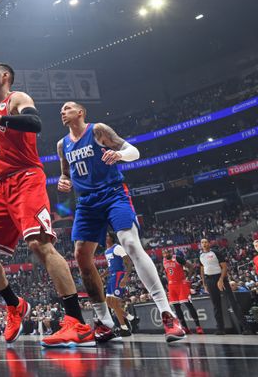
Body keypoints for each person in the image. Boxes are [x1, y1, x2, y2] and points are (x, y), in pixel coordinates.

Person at [0, 63, 93, 348]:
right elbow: (4, 153)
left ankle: (77, 322)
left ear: (5, 77)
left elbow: (34, 123)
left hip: (26, 179)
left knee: (39, 244)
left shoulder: (17, 99)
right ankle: (15, 305)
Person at [57, 101, 184, 343]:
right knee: (81, 256)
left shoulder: (98, 130)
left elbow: (134, 151)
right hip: (86, 202)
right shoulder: (62, 144)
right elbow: (65, 172)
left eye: (67, 108)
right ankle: (104, 322)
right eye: (61, 110)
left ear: (80, 112)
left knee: (132, 244)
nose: (62, 112)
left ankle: (168, 314)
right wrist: (64, 181)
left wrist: (119, 154)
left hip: (113, 193)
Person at [199, 238, 244, 334]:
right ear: (201, 245)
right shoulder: (201, 256)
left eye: (206, 242)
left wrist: (220, 279)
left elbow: (224, 267)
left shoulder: (215, 252)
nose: (204, 244)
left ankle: (246, 327)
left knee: (232, 302)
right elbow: (202, 270)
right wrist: (204, 283)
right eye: (202, 242)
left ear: (209, 243)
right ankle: (220, 329)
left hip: (220, 278)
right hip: (209, 280)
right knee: (216, 305)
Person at [163, 249, 203, 334]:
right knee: (177, 307)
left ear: (171, 252)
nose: (166, 254)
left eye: (167, 252)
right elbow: (167, 273)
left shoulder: (177, 258)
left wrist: (188, 278)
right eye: (164, 253)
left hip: (181, 284)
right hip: (171, 286)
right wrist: (168, 283)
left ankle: (198, 326)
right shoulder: (164, 261)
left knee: (188, 305)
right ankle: (185, 328)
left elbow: (191, 266)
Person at [104, 233, 132, 337]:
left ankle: (124, 328)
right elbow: (109, 267)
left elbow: (128, 262)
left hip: (119, 275)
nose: (105, 237)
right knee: (109, 303)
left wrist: (125, 277)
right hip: (111, 276)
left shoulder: (117, 247)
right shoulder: (106, 251)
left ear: (111, 238)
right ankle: (130, 318)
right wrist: (101, 275)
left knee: (115, 303)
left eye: (107, 236)